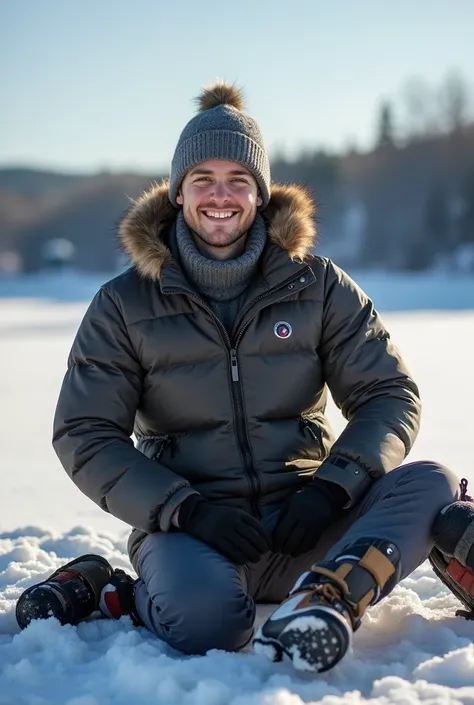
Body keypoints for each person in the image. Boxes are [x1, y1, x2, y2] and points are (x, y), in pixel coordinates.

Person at [16, 82, 469, 673]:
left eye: (239, 179)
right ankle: (112, 589)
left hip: (312, 516)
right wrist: (185, 509)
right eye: (202, 178)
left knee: (433, 482)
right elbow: (84, 433)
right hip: (194, 529)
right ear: (178, 193)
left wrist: (334, 485)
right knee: (207, 626)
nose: (220, 196)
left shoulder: (319, 285)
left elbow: (388, 394)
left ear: (261, 193)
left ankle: (325, 598)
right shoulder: (123, 305)